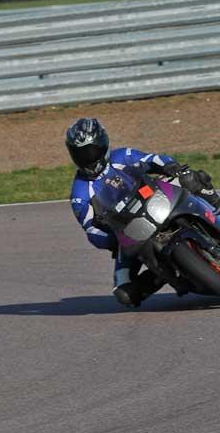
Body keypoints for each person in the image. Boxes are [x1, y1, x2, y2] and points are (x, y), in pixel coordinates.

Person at [67, 117, 220, 307]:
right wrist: (111, 236)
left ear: (103, 144)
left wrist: (169, 165)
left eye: (92, 150)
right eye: (81, 153)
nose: (88, 157)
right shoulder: (79, 193)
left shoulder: (121, 156)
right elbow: (90, 229)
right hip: (126, 230)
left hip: (155, 199)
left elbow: (151, 159)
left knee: (190, 178)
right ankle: (164, 274)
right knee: (125, 293)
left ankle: (217, 208)